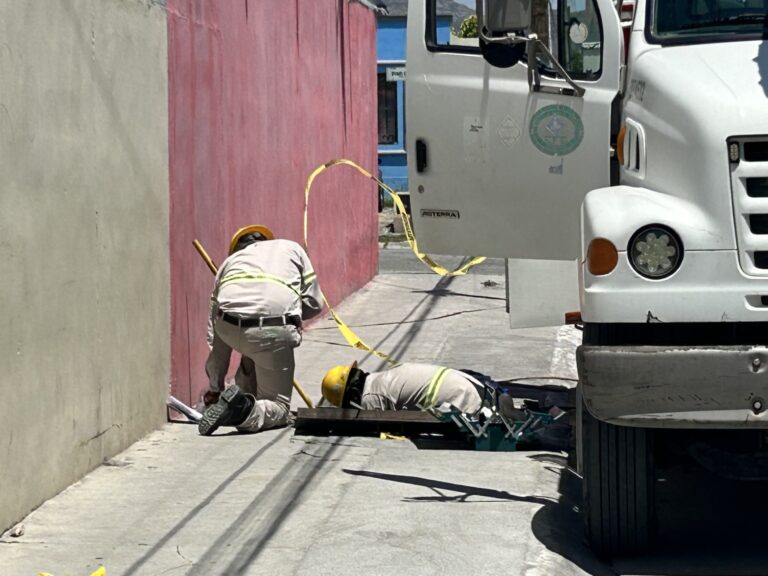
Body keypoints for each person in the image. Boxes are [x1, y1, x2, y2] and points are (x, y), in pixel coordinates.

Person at [198, 225, 323, 436]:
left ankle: (236, 397)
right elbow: (315, 303)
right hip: (273, 330)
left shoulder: (229, 264)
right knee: (279, 407)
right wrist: (291, 314)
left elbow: (217, 341)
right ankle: (241, 409)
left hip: (229, 327)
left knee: (249, 344)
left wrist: (215, 388)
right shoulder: (292, 248)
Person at [320, 361, 494, 415]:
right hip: (465, 382)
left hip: (460, 397)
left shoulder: (370, 399)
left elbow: (377, 426)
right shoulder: (381, 377)